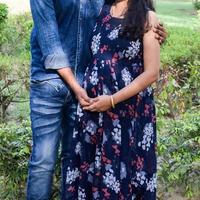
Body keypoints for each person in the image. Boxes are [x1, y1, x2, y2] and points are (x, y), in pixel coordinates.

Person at [27, 0, 166, 199]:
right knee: (44, 162)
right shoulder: (103, 7)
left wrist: (156, 31)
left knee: (75, 160)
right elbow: (51, 47)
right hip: (54, 84)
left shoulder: (107, 4)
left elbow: (131, 27)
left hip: (96, 95)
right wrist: (78, 88)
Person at [65, 0, 160, 199]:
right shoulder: (102, 10)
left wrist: (112, 100)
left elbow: (152, 73)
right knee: (91, 169)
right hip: (94, 111)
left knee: (122, 170)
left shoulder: (147, 17)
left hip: (127, 113)